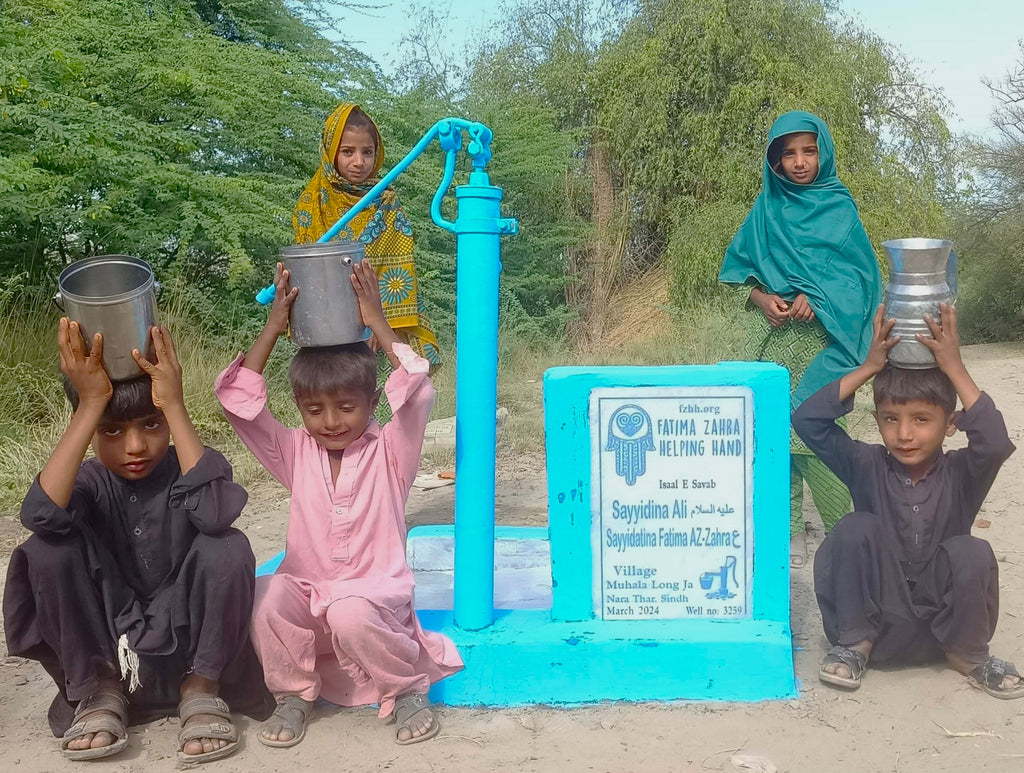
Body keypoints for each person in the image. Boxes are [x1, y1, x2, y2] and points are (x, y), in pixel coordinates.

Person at [215, 259, 463, 748]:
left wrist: (376, 321)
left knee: (349, 611)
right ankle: (294, 694)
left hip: (373, 602)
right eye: (315, 410)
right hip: (311, 594)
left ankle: (406, 688)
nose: (330, 421)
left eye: (347, 407)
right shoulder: (293, 451)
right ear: (299, 408)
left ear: (372, 403)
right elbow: (239, 404)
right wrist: (274, 327)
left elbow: (417, 392)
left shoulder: (391, 452)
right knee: (263, 596)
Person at [3, 320, 272, 763]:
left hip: (192, 659)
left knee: (227, 544)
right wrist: (91, 403)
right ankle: (98, 694)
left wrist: (174, 404)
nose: (135, 446)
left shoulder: (192, 470)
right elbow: (40, 515)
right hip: (114, 663)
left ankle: (201, 690)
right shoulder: (86, 483)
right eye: (111, 430)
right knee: (46, 550)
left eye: (151, 424)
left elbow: (215, 513)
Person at [793, 303, 1023, 698]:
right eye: (890, 418)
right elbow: (807, 420)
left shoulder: (962, 473)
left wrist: (954, 367)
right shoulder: (865, 464)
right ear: (878, 419)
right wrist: (869, 368)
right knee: (853, 528)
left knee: (971, 550)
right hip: (878, 626)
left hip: (942, 632)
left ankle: (969, 655)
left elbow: (996, 442)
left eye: (921, 419)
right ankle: (854, 646)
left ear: (950, 424)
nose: (904, 434)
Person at [718, 110, 882, 567]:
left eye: (809, 150)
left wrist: (818, 296)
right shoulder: (765, 209)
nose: (800, 161)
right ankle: (787, 532)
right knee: (773, 435)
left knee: (817, 433)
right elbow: (740, 273)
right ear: (775, 160)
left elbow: (860, 278)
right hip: (771, 343)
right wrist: (762, 298)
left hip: (819, 344)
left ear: (823, 152)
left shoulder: (840, 208)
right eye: (788, 153)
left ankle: (843, 530)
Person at [294, 102, 441, 421]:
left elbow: (394, 262)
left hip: (373, 325)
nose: (359, 162)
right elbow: (306, 268)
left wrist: (377, 321)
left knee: (360, 399)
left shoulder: (385, 200)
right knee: (323, 400)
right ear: (330, 152)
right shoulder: (312, 201)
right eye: (347, 152)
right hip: (323, 327)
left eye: (367, 152)